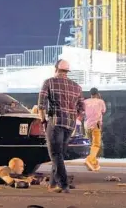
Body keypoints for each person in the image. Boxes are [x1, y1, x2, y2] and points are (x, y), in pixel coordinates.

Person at [38, 59, 85, 193]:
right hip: (70, 125)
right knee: (59, 154)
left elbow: (41, 105)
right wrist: (74, 119)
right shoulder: (77, 86)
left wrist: (43, 121)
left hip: (56, 122)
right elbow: (81, 108)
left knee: (55, 153)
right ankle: (53, 184)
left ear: (56, 68)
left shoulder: (49, 82)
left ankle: (63, 184)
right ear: (67, 71)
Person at [84, 87, 106, 171]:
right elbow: (103, 111)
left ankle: (94, 164)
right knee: (96, 144)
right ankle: (89, 160)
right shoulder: (100, 101)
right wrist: (99, 99)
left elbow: (83, 112)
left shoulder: (85, 102)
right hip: (96, 125)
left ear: (90, 94)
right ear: (97, 93)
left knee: (92, 145)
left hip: (86, 125)